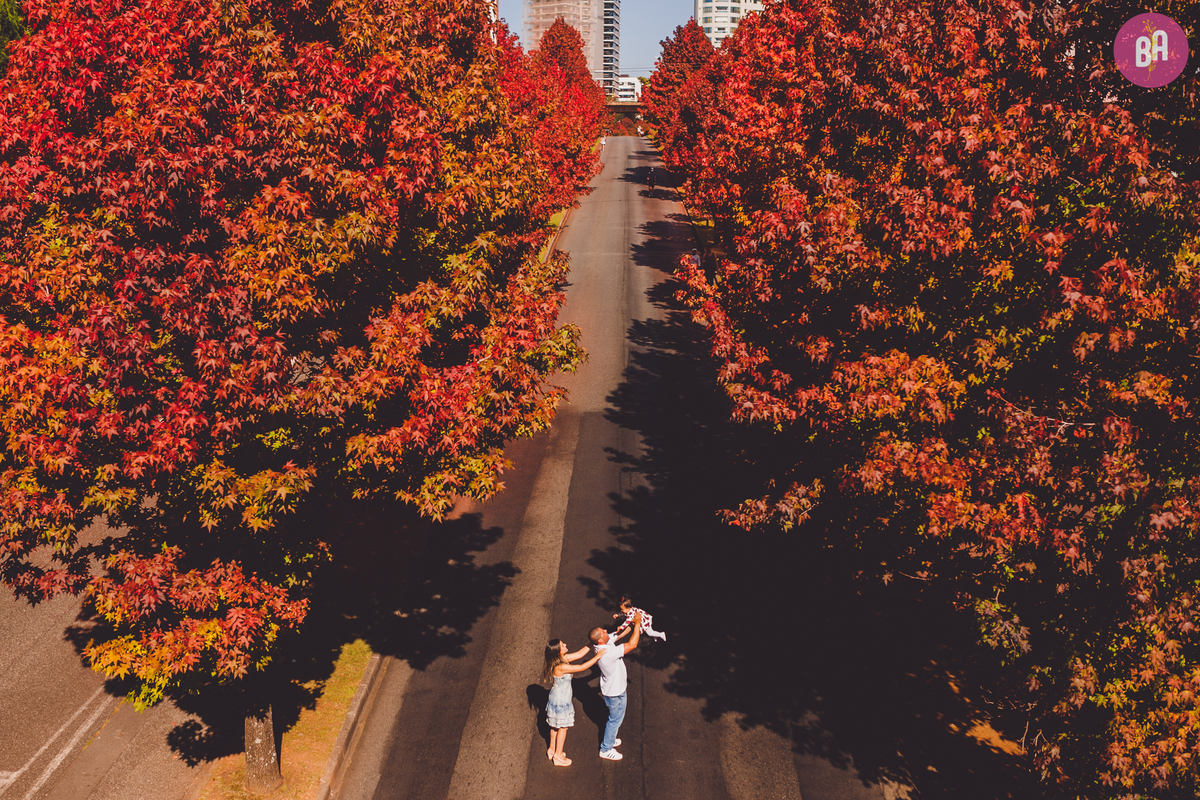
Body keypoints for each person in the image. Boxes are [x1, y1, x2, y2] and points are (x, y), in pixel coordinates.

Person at [589, 611, 642, 760]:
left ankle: (610, 739)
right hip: (615, 693)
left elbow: (619, 635)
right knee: (615, 720)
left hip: (615, 689)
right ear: (600, 641)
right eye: (603, 632)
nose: (606, 631)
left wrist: (630, 622)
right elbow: (632, 644)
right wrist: (637, 623)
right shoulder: (607, 653)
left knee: (616, 718)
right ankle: (605, 749)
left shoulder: (602, 644)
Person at [542, 639, 604, 766]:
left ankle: (552, 749)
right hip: (562, 701)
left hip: (555, 699)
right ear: (558, 652)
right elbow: (581, 667)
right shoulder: (562, 666)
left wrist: (591, 643)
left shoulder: (560, 660)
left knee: (554, 726)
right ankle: (558, 756)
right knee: (563, 727)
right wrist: (598, 656)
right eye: (562, 645)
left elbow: (580, 654)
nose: (565, 644)